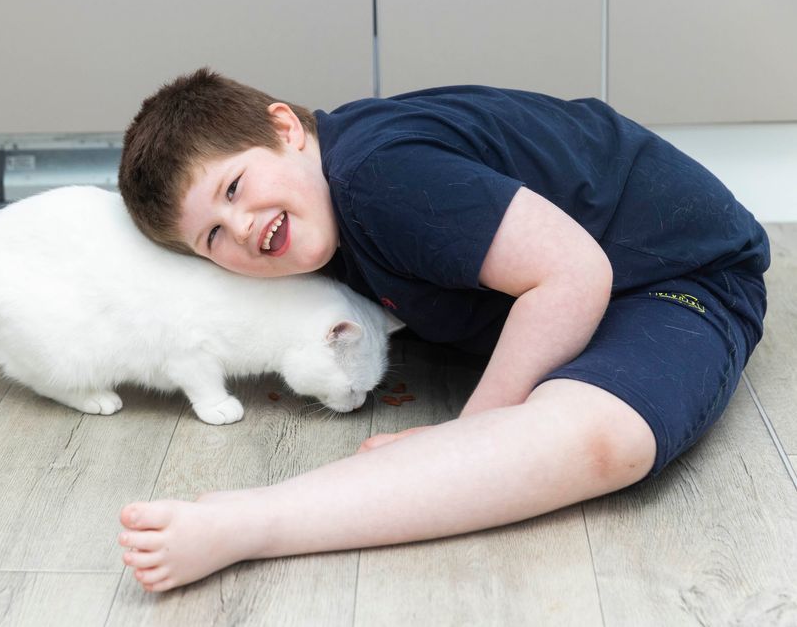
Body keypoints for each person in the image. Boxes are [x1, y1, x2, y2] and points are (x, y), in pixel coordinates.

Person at [114, 68, 769, 593]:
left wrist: (473, 431)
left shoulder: (377, 174)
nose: (242, 228)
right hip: (581, 283)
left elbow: (575, 270)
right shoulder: (316, 211)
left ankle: (255, 523)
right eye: (212, 237)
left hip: (675, 275)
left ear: (286, 128)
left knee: (603, 442)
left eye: (234, 188)